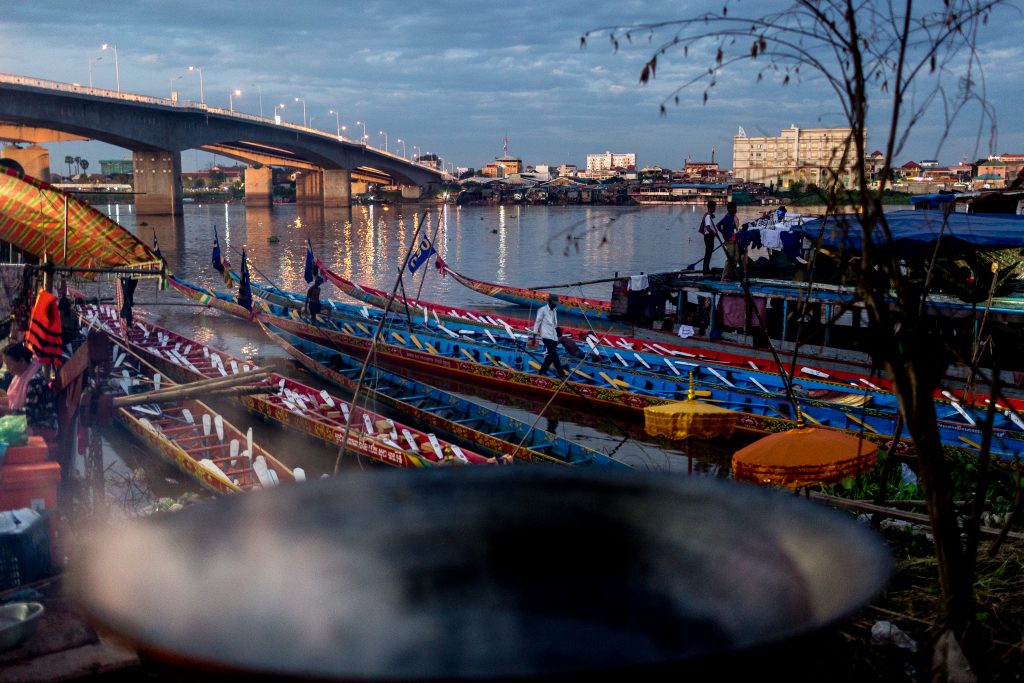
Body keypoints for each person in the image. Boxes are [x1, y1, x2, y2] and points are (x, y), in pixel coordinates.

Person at [0, 341, 57, 441]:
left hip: (42, 428)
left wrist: (3, 410)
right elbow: (12, 400)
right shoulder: (20, 376)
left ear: (21, 361)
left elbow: (29, 414)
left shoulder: (34, 381)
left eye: (10, 364)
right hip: (28, 424)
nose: (8, 369)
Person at [531, 293, 565, 379]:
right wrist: (534, 336)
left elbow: (554, 324)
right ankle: (561, 374)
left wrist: (559, 333)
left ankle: (542, 371)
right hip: (546, 336)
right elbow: (537, 323)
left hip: (553, 337)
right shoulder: (542, 310)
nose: (555, 304)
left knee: (550, 356)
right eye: (554, 303)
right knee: (554, 355)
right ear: (549, 302)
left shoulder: (554, 311)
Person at [716, 201, 740, 282]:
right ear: (730, 209)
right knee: (730, 258)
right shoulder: (727, 217)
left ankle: (730, 275)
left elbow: (735, 227)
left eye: (735, 208)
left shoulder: (733, 217)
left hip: (734, 239)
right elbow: (718, 225)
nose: (735, 209)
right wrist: (724, 234)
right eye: (734, 208)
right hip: (729, 240)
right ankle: (723, 277)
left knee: (736, 257)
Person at [697, 200, 718, 276]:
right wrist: (714, 233)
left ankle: (706, 270)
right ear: (710, 207)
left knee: (708, 254)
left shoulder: (709, 215)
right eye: (714, 207)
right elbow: (708, 228)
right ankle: (706, 271)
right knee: (708, 254)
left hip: (709, 236)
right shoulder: (708, 216)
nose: (715, 209)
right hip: (709, 236)